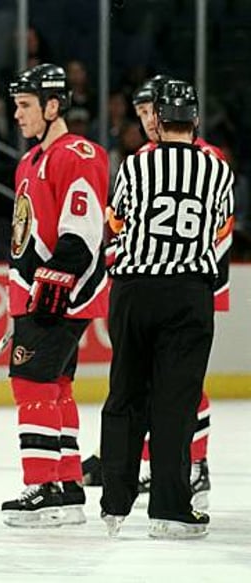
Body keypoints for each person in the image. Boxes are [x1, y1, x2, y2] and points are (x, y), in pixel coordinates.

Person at [82, 75, 226, 513]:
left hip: (134, 290)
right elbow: (218, 228)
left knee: (125, 392)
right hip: (188, 294)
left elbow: (117, 222)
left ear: (159, 121)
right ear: (195, 120)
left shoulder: (134, 165)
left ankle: (115, 499)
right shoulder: (218, 169)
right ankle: (169, 506)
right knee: (176, 402)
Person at [2, 63, 109, 528]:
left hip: (59, 296)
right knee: (55, 386)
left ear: (53, 105)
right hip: (35, 293)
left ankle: (45, 486)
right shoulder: (29, 161)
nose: (18, 115)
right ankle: (66, 483)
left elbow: (83, 233)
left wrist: (56, 281)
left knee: (31, 385)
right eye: (16, 107)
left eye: (25, 106)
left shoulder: (78, 153)